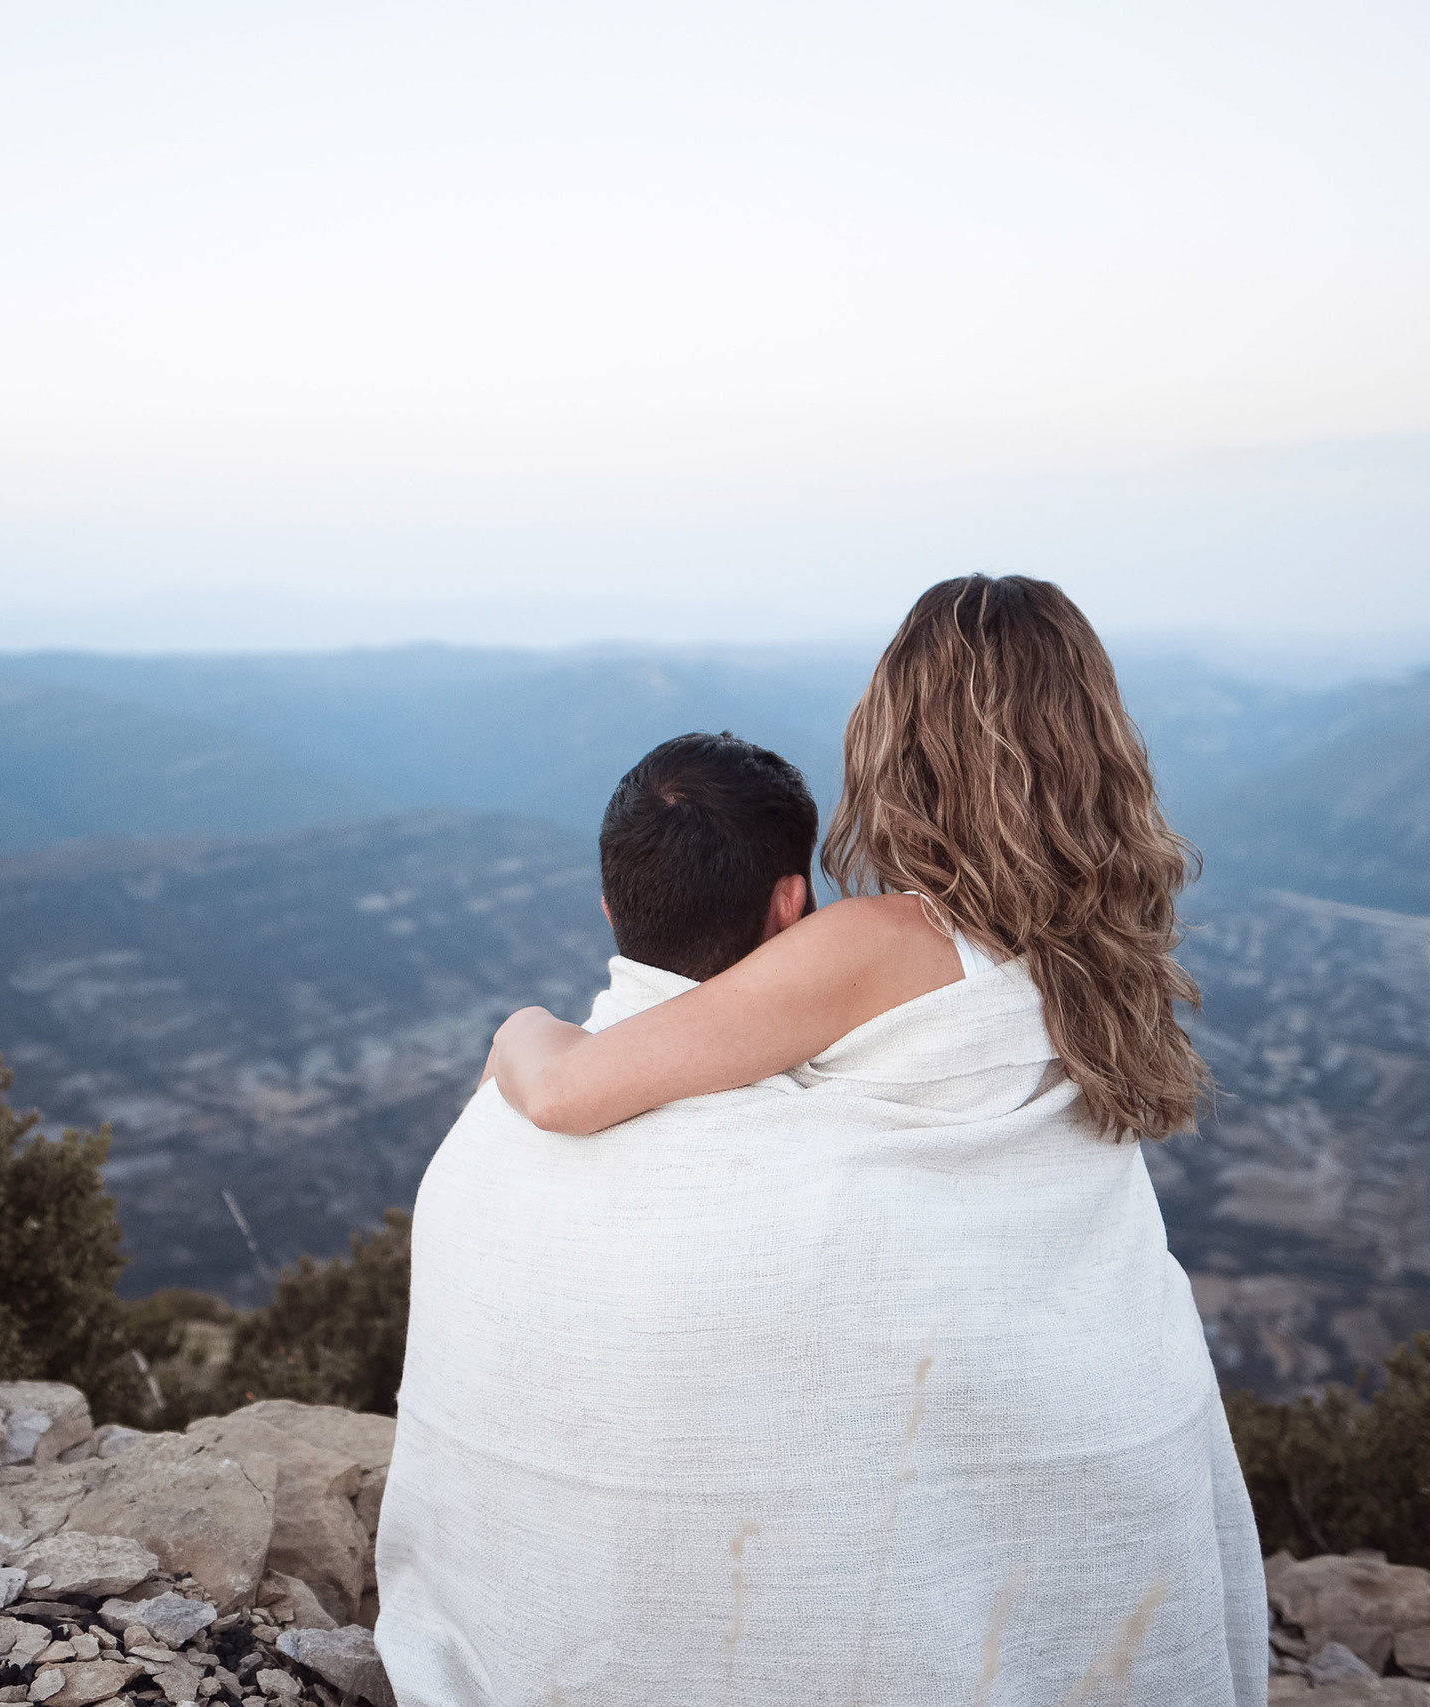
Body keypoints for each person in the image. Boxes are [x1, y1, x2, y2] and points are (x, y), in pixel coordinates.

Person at [373, 576, 1266, 1706]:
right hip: (1120, 1409)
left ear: (901, 740)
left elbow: (569, 1094)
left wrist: (518, 1026)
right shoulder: (1094, 953)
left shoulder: (883, 941)